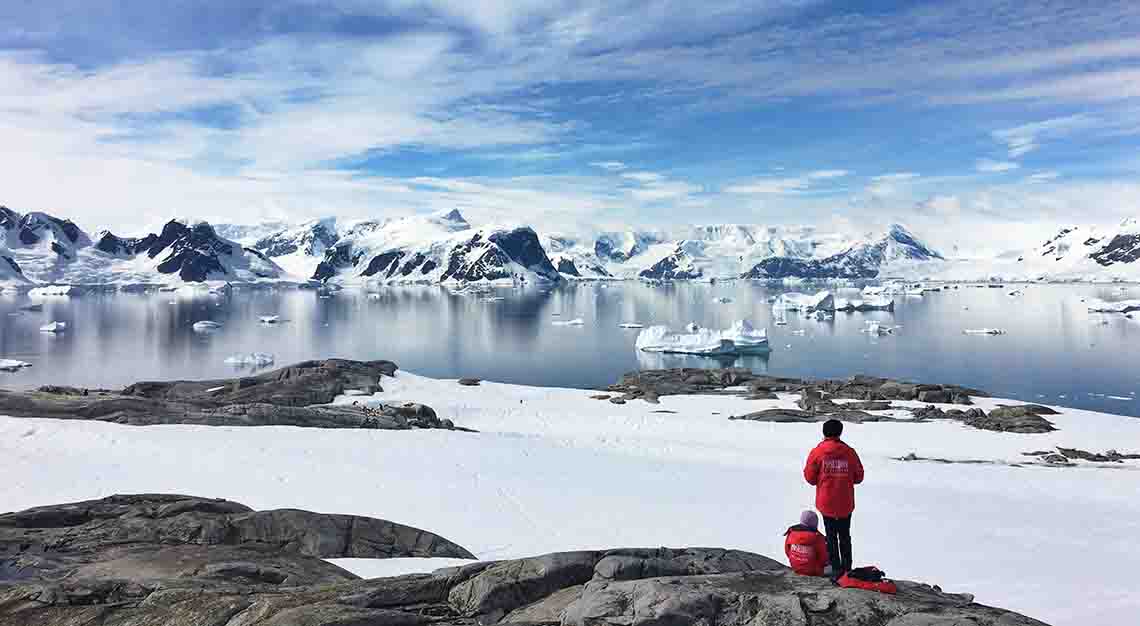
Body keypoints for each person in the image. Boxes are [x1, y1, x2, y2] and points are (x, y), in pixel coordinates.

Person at [803, 419, 864, 579]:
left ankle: (835, 569)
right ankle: (847, 568)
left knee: (830, 535)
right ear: (840, 432)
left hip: (826, 501)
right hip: (845, 501)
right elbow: (859, 477)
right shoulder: (849, 452)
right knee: (845, 535)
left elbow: (809, 477)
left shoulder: (818, 452)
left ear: (824, 433)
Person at [784, 510, 828, 576]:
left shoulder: (792, 532)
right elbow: (823, 558)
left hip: (795, 567)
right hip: (813, 571)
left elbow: (787, 551)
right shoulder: (818, 538)